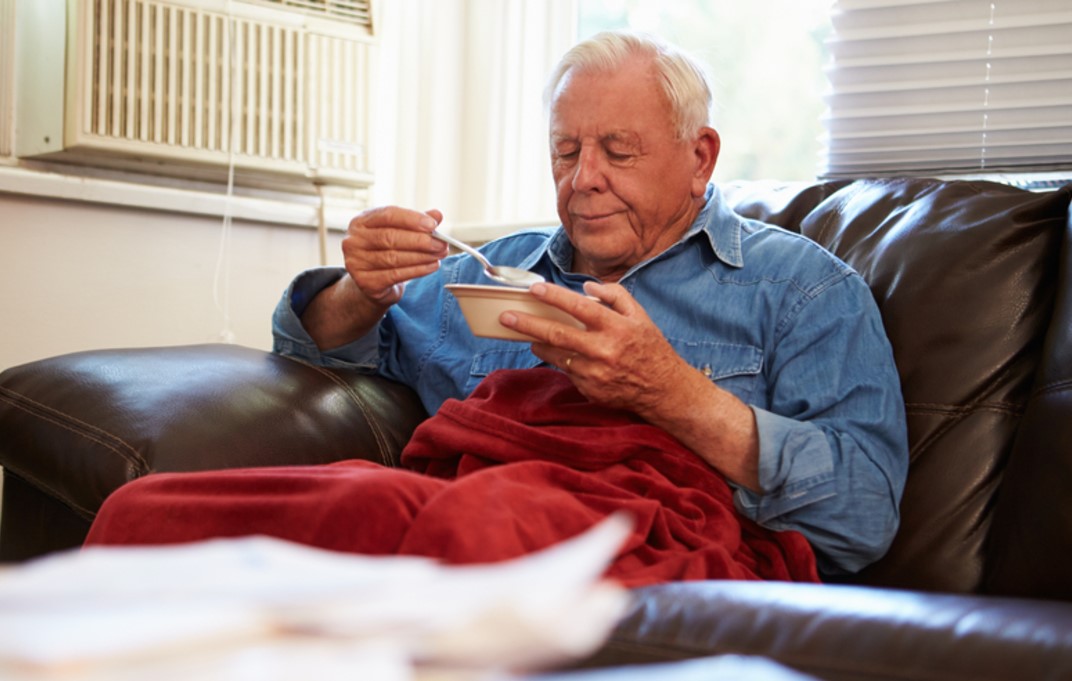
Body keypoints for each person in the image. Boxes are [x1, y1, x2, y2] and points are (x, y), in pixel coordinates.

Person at [268, 30, 909, 577]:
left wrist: (670, 392)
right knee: (241, 511)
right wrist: (362, 289)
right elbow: (309, 351)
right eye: (566, 151)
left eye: (619, 151)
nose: (583, 179)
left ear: (700, 158)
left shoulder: (803, 291)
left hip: (610, 560)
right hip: (461, 535)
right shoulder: (491, 272)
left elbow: (862, 513)